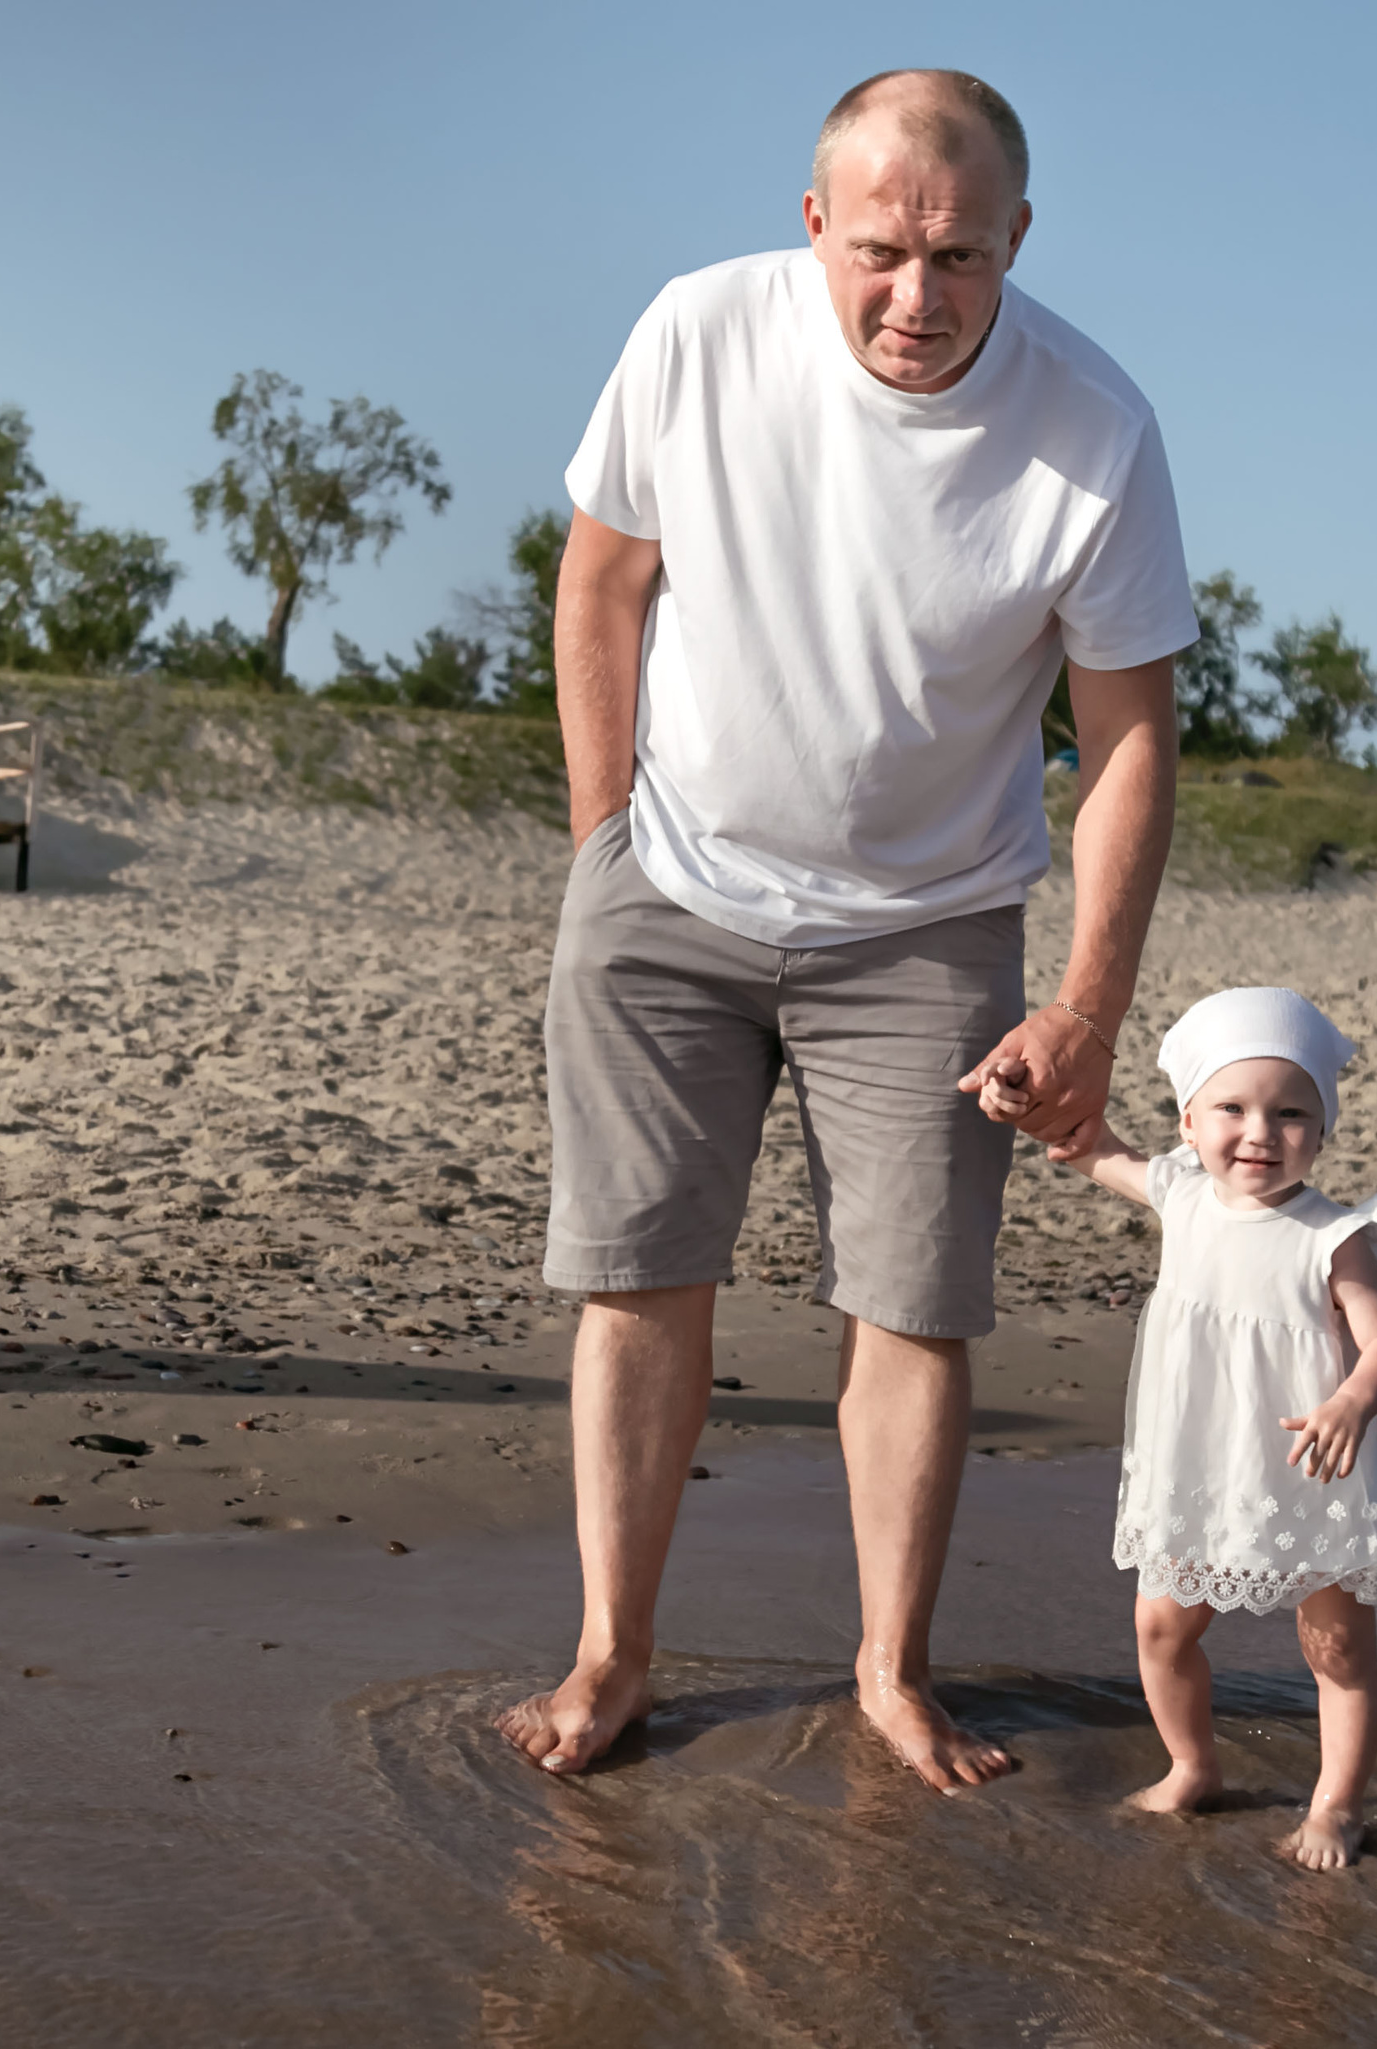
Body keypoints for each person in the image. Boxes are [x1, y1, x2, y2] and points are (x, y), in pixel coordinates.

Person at [495, 68, 1199, 1789]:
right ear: (815, 222)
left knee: (913, 1306)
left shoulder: (1095, 430)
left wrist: (1088, 1006)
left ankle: (891, 1667)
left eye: (959, 256)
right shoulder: (697, 332)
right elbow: (602, 578)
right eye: (881, 247)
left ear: (1017, 239)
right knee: (643, 1272)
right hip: (670, 885)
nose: (915, 293)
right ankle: (614, 1649)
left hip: (934, 923)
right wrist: (602, 849)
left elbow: (1129, 739)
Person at [979, 987, 1377, 1870]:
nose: (1259, 1131)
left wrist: (1352, 1402)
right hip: (1200, 1462)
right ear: (1188, 1120)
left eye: (1292, 1113)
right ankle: (1192, 1765)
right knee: (1161, 1627)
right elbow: (1086, 1144)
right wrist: (1025, 1094)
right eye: (1233, 1108)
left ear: (1322, 1130)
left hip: (1306, 1466)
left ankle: (1336, 1804)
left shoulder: (1331, 1236)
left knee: (1335, 1646)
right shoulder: (1180, 1192)